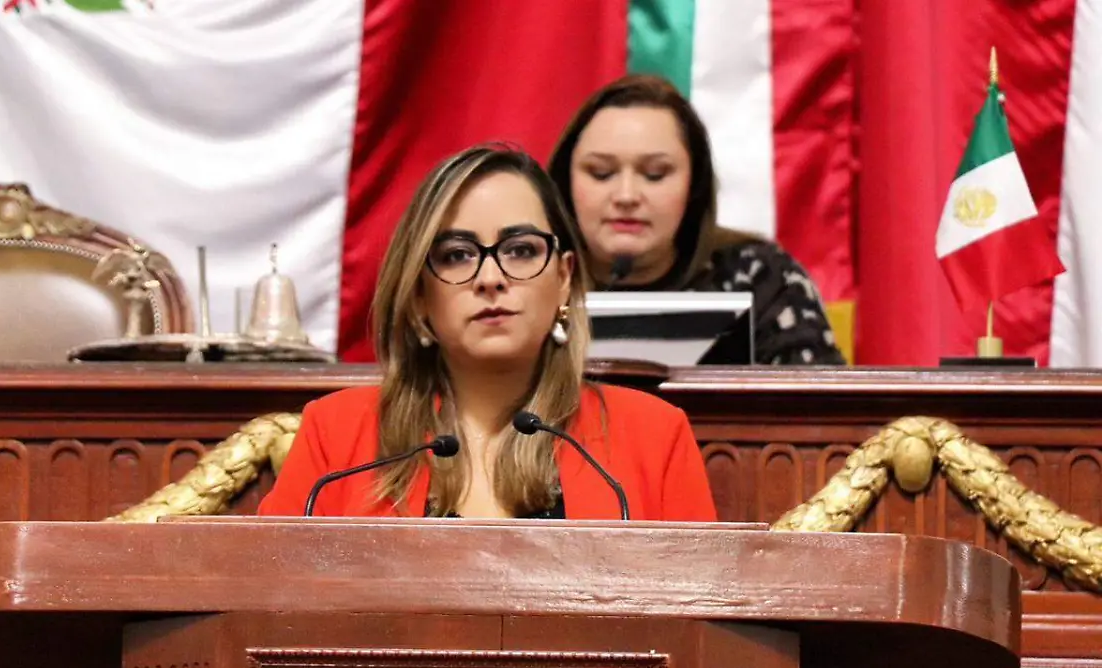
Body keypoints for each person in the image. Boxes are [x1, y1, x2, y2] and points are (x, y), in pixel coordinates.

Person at [258, 144, 717, 521]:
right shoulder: (335, 435)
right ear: (419, 294)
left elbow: (700, 627)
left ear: (563, 279)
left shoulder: (656, 437)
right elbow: (266, 611)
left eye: (519, 250)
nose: (490, 278)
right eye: (457, 255)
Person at [547, 74, 846, 366]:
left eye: (655, 174)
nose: (626, 195)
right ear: (566, 181)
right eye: (601, 173)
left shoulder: (759, 276)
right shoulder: (534, 274)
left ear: (694, 185)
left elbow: (820, 410)